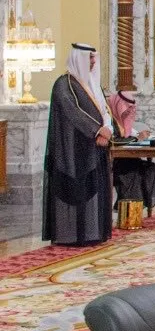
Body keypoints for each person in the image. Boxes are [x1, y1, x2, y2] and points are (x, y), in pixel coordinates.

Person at [42, 43, 114, 246]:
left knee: (94, 189)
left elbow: (104, 110)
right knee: (73, 190)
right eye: (89, 58)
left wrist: (107, 129)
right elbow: (73, 111)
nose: (93, 62)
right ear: (79, 59)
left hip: (94, 148)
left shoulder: (92, 84)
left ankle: (93, 233)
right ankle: (70, 236)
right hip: (71, 149)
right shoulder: (63, 84)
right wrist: (97, 130)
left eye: (94, 58)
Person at [107, 89, 155, 212]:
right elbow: (113, 141)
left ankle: (137, 211)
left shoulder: (120, 120)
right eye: (127, 108)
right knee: (132, 172)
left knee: (150, 168)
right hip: (112, 162)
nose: (129, 112)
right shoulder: (109, 120)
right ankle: (127, 212)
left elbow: (129, 135)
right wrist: (137, 138)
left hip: (127, 159)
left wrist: (140, 136)